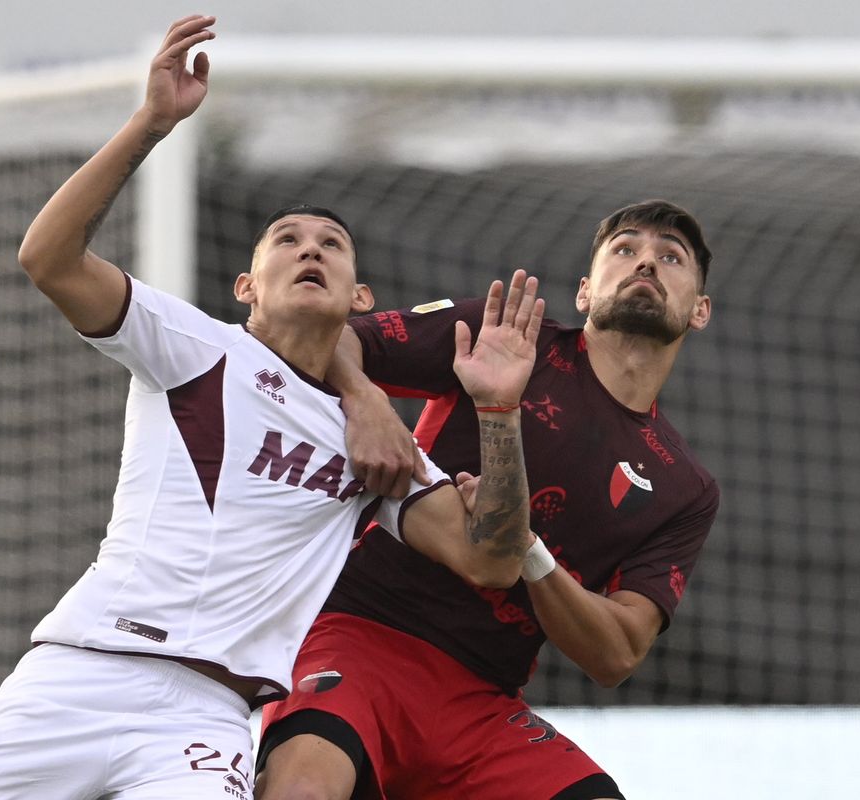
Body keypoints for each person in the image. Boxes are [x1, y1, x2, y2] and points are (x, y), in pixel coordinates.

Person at [0, 14, 547, 800]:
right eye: (286, 240)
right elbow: (47, 259)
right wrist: (152, 123)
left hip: (204, 719)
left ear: (360, 298)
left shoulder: (380, 446)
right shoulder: (196, 347)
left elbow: (490, 561)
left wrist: (497, 415)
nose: (309, 249)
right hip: (78, 676)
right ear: (245, 289)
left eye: (329, 243)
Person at [256, 199, 720, 800]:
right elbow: (337, 338)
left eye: (671, 258)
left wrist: (528, 550)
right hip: (357, 634)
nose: (646, 265)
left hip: (481, 699)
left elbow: (617, 652)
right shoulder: (502, 334)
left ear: (701, 310)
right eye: (626, 249)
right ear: (584, 290)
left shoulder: (685, 486)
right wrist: (366, 400)